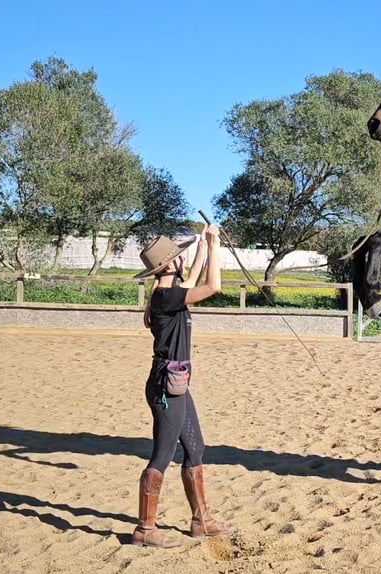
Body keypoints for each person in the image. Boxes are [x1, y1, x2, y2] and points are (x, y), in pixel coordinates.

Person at [130, 224, 235, 548]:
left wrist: (204, 242)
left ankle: (201, 520)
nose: (181, 259)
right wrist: (216, 246)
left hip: (175, 382)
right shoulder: (166, 297)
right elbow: (212, 286)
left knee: (195, 447)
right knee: (162, 454)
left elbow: (191, 279)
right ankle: (144, 530)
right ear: (167, 266)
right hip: (166, 384)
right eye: (177, 257)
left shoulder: (168, 294)